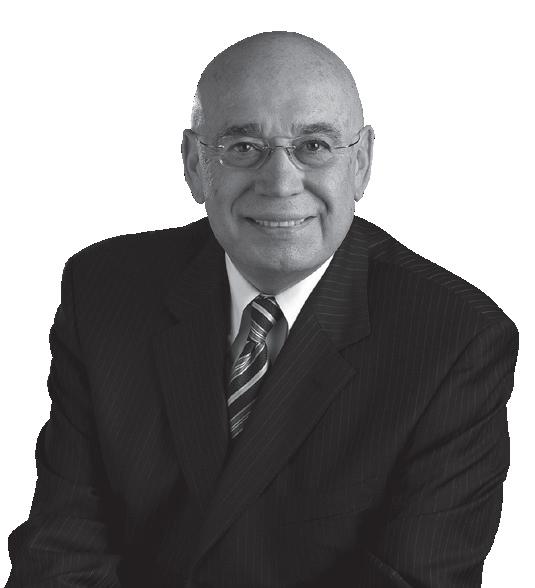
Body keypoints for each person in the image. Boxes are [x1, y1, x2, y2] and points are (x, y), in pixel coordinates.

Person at [6, 31, 519, 588]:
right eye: (243, 147)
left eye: (314, 146)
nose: (279, 183)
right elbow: (61, 549)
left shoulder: (455, 339)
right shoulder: (106, 290)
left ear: (362, 163)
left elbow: (411, 578)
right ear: (194, 164)